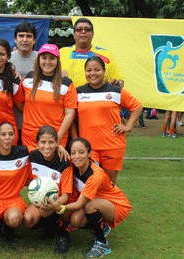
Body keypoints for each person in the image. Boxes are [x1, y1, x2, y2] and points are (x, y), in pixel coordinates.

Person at [44, 138, 132, 258]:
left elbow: (80, 204)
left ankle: (102, 244)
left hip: (117, 206)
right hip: (97, 202)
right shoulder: (74, 164)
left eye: (81, 152)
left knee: (89, 205)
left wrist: (60, 207)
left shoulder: (95, 176)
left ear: (89, 153)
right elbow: (50, 152)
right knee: (76, 220)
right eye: (73, 153)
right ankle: (102, 226)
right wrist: (58, 146)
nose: (77, 156)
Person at [75, 56, 142, 184]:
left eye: (97, 70)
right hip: (88, 147)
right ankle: (88, 205)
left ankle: (109, 204)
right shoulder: (78, 93)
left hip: (112, 145)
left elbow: (137, 107)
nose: (93, 73)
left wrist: (128, 126)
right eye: (89, 70)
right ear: (85, 73)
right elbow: (72, 118)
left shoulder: (116, 91)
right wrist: (76, 139)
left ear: (104, 71)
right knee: (89, 182)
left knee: (108, 184)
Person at [23, 126, 73, 255]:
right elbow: (29, 181)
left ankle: (63, 235)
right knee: (28, 220)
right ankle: (49, 227)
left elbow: (66, 196)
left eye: (51, 142)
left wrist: (55, 204)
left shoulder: (64, 162)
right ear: (37, 143)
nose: (47, 146)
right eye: (43, 142)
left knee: (45, 211)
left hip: (60, 202)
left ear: (57, 143)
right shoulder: (33, 156)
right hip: (40, 201)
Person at [19, 44, 77, 149]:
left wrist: (57, 139)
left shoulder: (66, 84)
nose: (47, 62)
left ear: (57, 61)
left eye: (52, 58)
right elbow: (19, 102)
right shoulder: (28, 78)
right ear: (38, 59)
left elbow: (70, 114)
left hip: (55, 138)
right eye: (44, 58)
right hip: (30, 137)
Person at [60, 17, 124, 88]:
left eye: (87, 30)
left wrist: (118, 83)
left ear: (92, 34)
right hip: (68, 97)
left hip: (96, 98)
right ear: (74, 34)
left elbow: (119, 81)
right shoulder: (62, 53)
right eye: (79, 30)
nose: (83, 32)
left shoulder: (104, 54)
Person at [11, 21, 38, 145]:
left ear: (34, 40)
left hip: (35, 122)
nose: (25, 39)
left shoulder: (43, 60)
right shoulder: (6, 58)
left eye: (29, 36)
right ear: (15, 39)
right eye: (21, 36)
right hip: (11, 122)